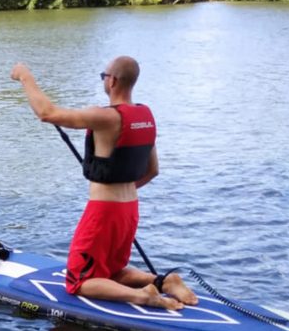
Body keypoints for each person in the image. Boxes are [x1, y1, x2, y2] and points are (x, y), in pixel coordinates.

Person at [10, 56, 197, 311]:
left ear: (112, 80)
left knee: (78, 281)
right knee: (111, 271)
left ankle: (145, 296)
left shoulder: (107, 117)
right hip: (130, 209)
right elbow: (153, 170)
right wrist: (121, 192)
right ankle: (164, 281)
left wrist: (25, 76)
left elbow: (47, 113)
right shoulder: (145, 116)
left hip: (104, 211)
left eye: (103, 76)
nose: (103, 80)